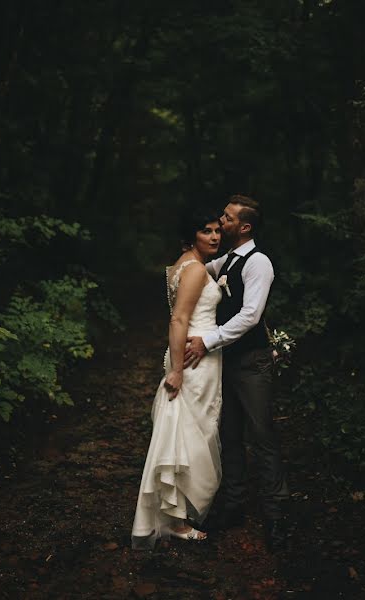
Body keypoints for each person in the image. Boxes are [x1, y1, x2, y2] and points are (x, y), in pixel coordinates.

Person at [184, 194, 290, 551]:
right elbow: (192, 273)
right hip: (225, 363)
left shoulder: (259, 263)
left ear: (244, 227)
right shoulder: (226, 261)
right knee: (228, 434)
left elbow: (250, 316)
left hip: (252, 363)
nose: (221, 222)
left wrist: (207, 340)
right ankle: (233, 506)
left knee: (262, 436)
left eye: (226, 219)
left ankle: (276, 516)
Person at [131, 209, 224, 548]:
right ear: (192, 235)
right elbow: (178, 319)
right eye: (206, 231)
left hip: (198, 355)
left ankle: (177, 514)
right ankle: (176, 521)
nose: (214, 236)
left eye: (217, 230)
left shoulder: (180, 264)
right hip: (194, 358)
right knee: (190, 432)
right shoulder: (196, 269)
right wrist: (177, 370)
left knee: (190, 429)